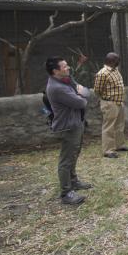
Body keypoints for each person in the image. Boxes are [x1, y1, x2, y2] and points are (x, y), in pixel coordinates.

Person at [45, 57, 92, 205]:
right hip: (68, 127)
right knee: (66, 160)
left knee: (74, 154)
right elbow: (81, 102)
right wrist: (81, 94)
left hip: (75, 123)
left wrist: (81, 92)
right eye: (64, 66)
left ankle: (73, 181)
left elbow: (86, 92)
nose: (68, 68)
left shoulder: (66, 80)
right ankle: (66, 193)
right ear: (55, 71)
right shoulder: (57, 88)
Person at [93, 52, 128, 158]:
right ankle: (108, 150)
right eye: (117, 60)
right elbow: (97, 90)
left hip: (119, 102)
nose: (118, 62)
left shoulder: (115, 70)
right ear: (111, 61)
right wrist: (106, 100)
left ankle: (120, 145)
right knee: (109, 127)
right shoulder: (102, 73)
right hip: (109, 103)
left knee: (119, 126)